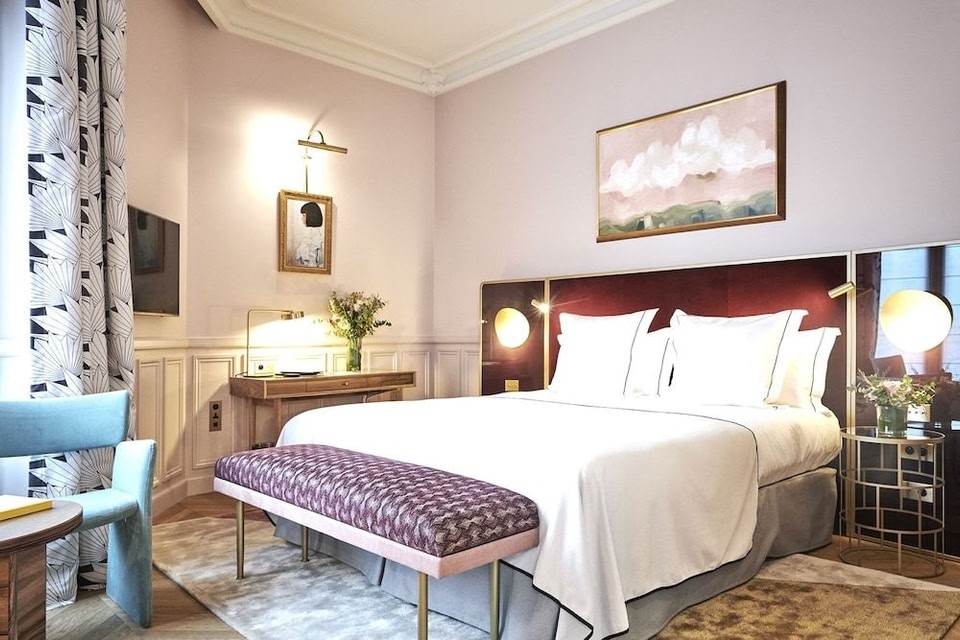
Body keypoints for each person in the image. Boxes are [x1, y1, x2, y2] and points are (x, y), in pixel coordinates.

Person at [295, 201, 324, 267]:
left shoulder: (314, 234)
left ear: (311, 216)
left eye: (304, 216)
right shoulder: (309, 233)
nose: (302, 218)